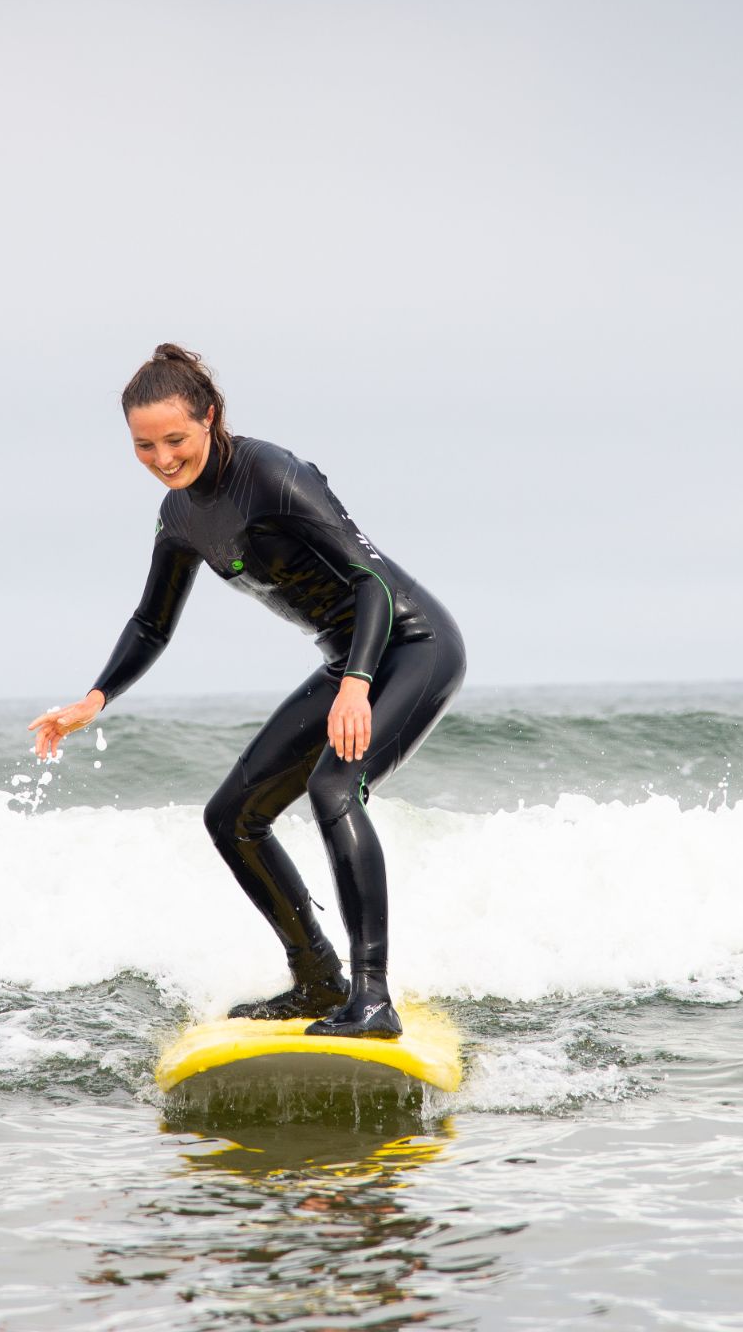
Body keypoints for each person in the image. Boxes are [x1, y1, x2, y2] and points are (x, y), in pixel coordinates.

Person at [31, 347, 464, 1039]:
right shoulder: (179, 518)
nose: (163, 458)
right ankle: (319, 979)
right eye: (144, 446)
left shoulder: (273, 475)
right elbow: (151, 621)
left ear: (210, 418)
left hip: (412, 647)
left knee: (333, 788)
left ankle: (374, 1000)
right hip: (345, 665)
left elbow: (370, 580)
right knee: (231, 816)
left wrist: (356, 684)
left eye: (176, 439)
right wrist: (95, 697)